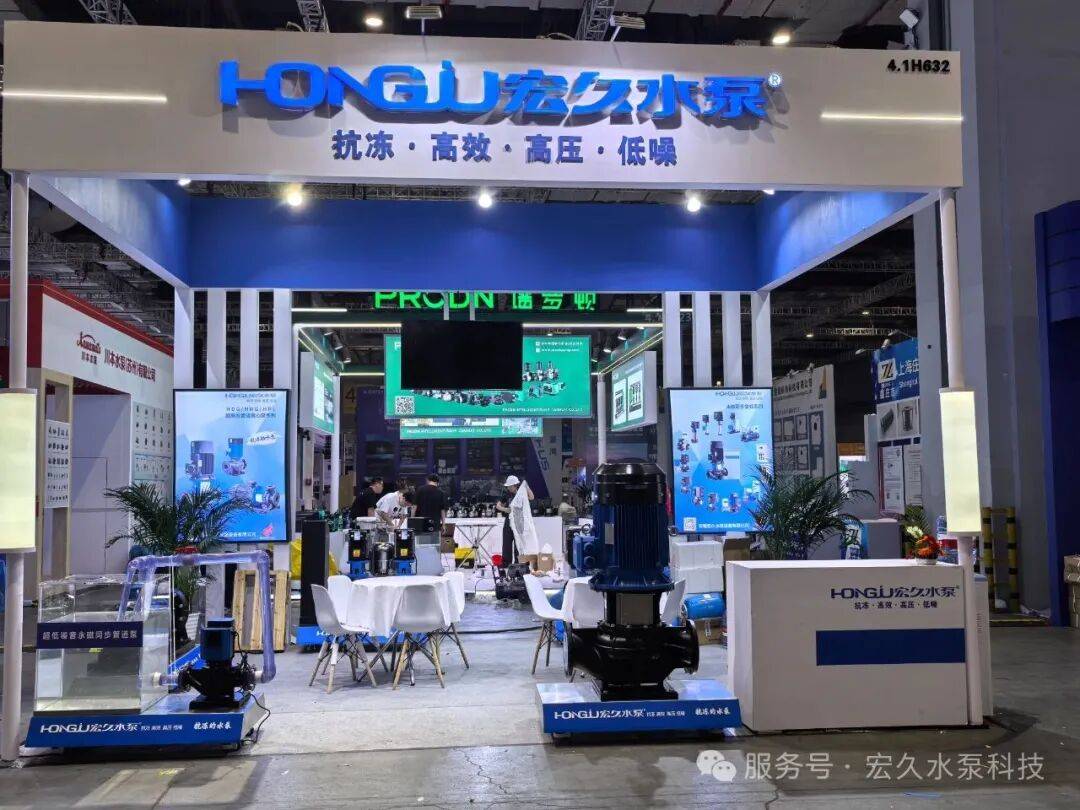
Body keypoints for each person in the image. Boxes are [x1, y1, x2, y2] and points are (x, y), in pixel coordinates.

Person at [496, 474, 538, 570]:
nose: (508, 488)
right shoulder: (506, 495)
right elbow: (498, 505)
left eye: (510, 486)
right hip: (509, 520)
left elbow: (531, 497)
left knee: (518, 541)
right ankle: (506, 562)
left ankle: (518, 562)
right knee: (507, 541)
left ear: (514, 485)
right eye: (508, 487)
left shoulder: (521, 493)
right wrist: (506, 509)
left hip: (519, 521)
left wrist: (526, 487)